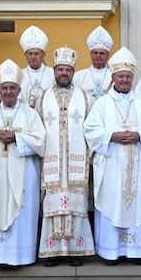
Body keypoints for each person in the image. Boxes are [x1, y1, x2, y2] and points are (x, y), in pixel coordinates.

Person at [85, 47, 141, 265]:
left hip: (138, 163)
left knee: (137, 203)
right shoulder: (101, 104)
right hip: (112, 165)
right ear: (113, 78)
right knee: (112, 201)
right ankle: (112, 252)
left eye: (128, 76)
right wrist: (112, 136)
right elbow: (90, 129)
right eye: (121, 76)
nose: (124, 79)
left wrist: (139, 135)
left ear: (132, 77)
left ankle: (137, 252)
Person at [0, 59, 46, 269]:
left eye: (12, 88)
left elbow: (41, 141)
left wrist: (17, 138)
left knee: (21, 212)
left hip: (22, 174)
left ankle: (19, 257)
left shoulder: (30, 115)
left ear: (19, 89)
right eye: (4, 88)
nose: (8, 92)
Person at [35, 47, 96, 267]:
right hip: (52, 161)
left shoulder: (86, 98)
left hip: (75, 163)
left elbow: (91, 129)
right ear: (54, 71)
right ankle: (53, 253)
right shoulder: (43, 98)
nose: (63, 73)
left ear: (73, 71)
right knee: (53, 206)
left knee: (76, 205)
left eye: (67, 70)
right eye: (60, 69)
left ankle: (76, 252)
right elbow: (37, 129)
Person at [17, 25, 55, 108]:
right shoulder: (19, 75)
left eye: (36, 53)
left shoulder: (52, 73)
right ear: (25, 55)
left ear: (43, 55)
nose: (33, 57)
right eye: (30, 54)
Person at [75, 25, 114, 101]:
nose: (98, 56)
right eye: (95, 53)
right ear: (90, 54)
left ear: (108, 55)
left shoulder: (114, 76)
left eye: (102, 53)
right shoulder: (78, 76)